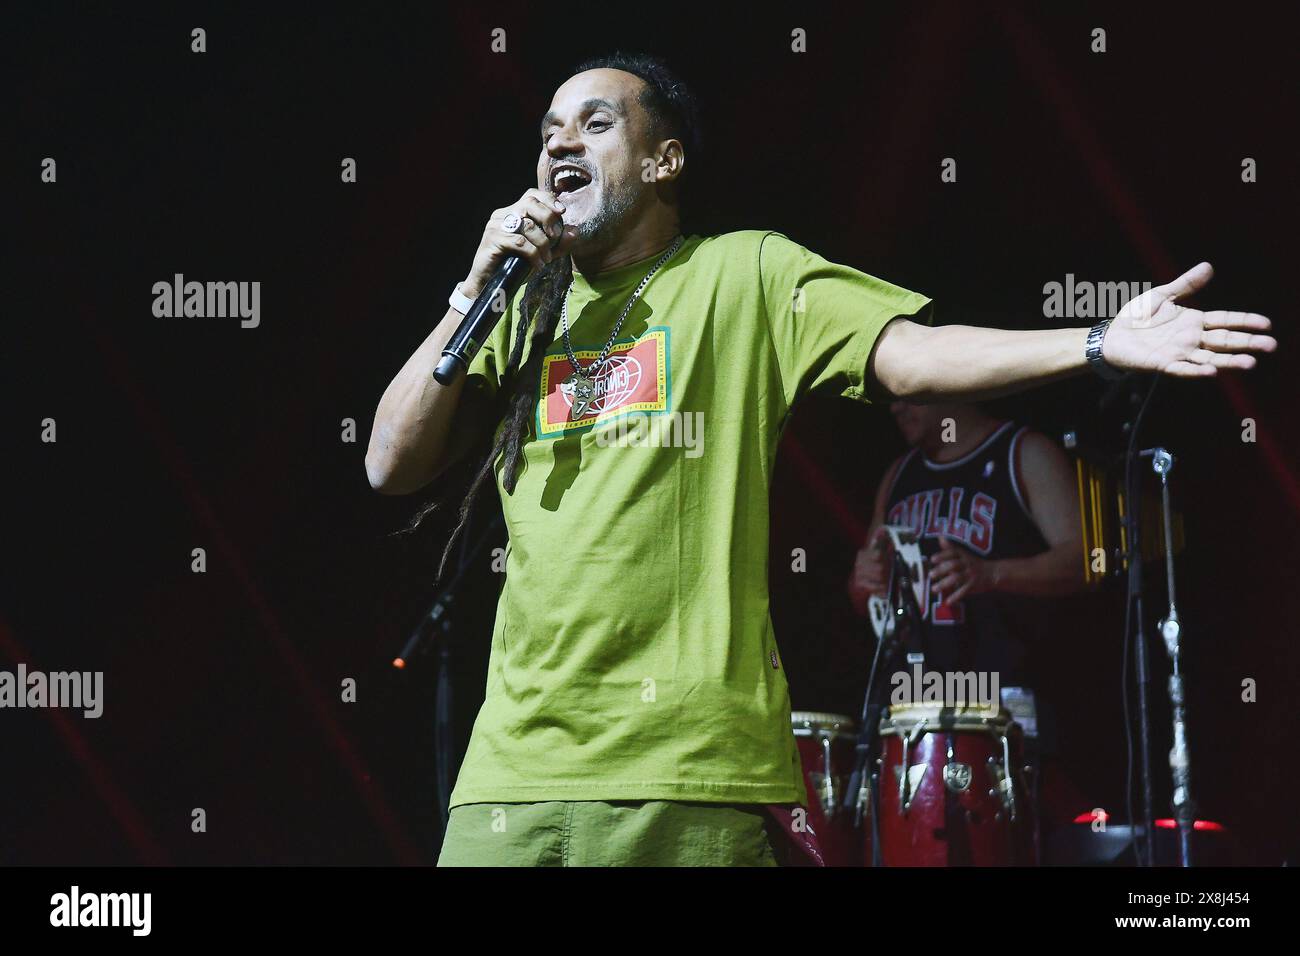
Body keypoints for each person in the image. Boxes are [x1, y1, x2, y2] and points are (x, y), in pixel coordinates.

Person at [364, 53, 1274, 866]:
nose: (563, 142)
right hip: (510, 776)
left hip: (684, 770)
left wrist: (1095, 340)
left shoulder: (742, 272)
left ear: (664, 162)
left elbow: (915, 354)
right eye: (549, 131)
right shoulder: (521, 311)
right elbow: (389, 464)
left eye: (596, 123)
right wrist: (470, 290)